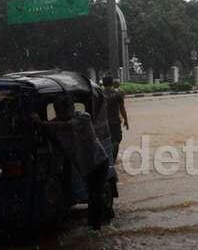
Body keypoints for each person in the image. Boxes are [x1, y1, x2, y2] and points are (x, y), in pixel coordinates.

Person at [32, 95, 109, 230]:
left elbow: (68, 126)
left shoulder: (83, 117)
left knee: (94, 195)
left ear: (71, 108)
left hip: (98, 162)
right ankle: (99, 222)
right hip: (84, 165)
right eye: (57, 110)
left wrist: (41, 123)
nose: (60, 113)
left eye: (63, 110)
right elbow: (51, 130)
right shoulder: (57, 124)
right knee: (93, 194)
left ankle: (96, 229)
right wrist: (39, 124)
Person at [103, 77, 129, 162]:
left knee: (106, 139)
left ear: (103, 84)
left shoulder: (99, 93)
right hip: (115, 121)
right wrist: (126, 120)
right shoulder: (118, 94)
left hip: (103, 122)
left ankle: (107, 157)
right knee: (117, 139)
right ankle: (113, 159)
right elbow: (122, 108)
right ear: (112, 83)